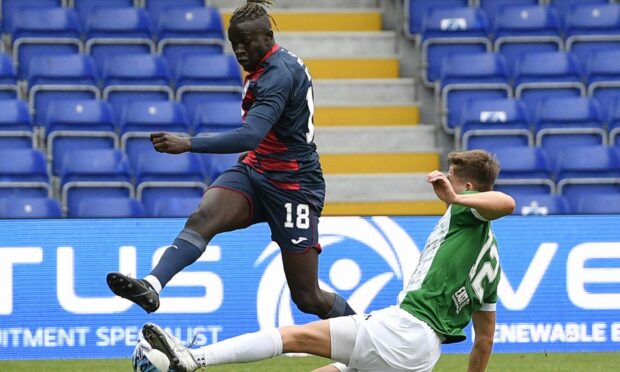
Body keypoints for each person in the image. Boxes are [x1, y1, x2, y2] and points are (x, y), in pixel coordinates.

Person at [136, 150, 516, 372]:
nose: (443, 184)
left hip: (404, 330)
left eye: (450, 179)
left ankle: (192, 359)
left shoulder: (468, 212)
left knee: (292, 336)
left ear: (468, 187)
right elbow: (483, 342)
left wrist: (456, 199)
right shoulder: (492, 263)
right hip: (422, 355)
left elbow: (507, 203)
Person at [106, 0, 355, 320]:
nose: (239, 50)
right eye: (234, 43)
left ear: (267, 36)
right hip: (257, 170)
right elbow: (259, 140)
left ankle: (370, 340)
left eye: (246, 42)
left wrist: (188, 143)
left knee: (308, 297)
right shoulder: (264, 65)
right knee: (202, 217)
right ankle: (152, 284)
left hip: (294, 185)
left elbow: (251, 134)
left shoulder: (278, 75)